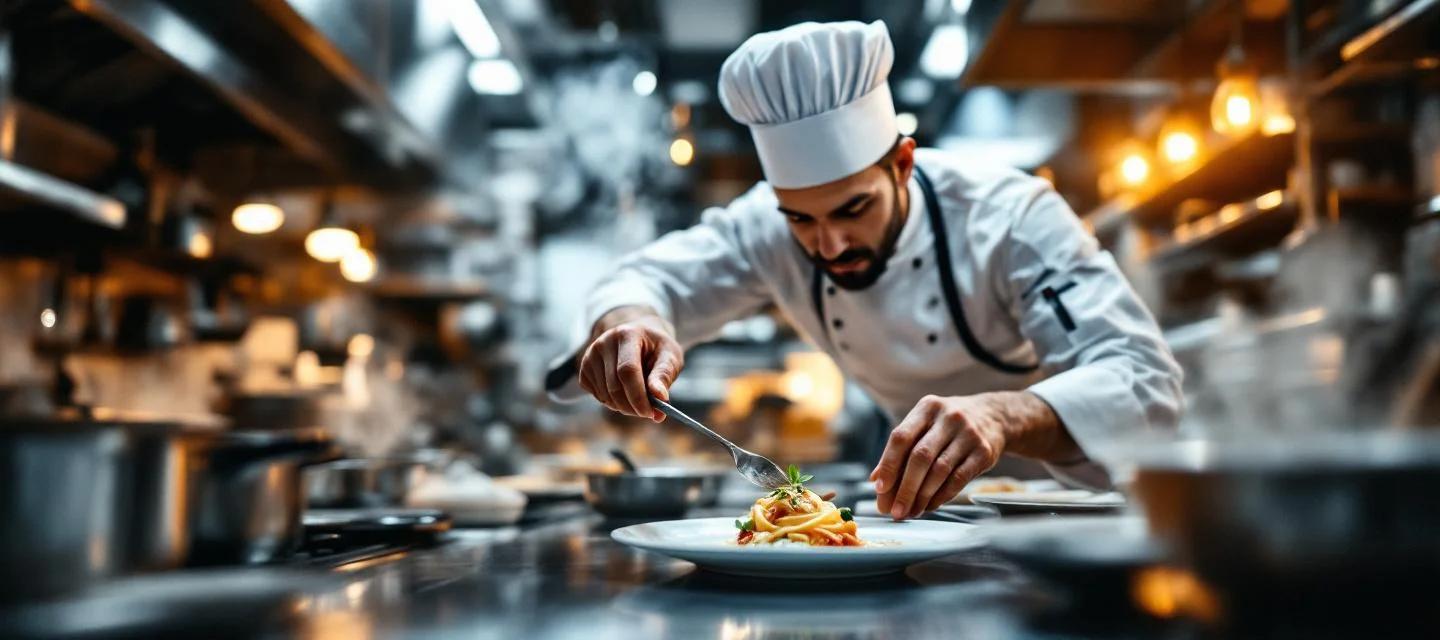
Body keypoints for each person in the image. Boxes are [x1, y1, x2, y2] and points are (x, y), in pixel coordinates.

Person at [545, 20, 1183, 520]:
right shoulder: (766, 230)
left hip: (1070, 513)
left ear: (902, 163)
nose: (828, 243)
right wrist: (629, 324)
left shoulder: (1010, 218)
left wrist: (1002, 416)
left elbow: (1146, 384)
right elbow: (644, 281)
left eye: (853, 208)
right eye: (800, 217)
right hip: (923, 521)